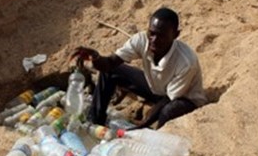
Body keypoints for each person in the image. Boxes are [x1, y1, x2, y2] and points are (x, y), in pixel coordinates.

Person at [72, 7, 207, 129]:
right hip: (157, 89)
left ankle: (157, 138)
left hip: (183, 99)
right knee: (111, 72)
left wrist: (144, 123)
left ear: (176, 35)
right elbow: (110, 63)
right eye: (152, 33)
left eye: (161, 36)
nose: (154, 40)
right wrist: (95, 57)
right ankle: (94, 122)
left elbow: (169, 99)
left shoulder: (186, 62)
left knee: (168, 110)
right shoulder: (142, 40)